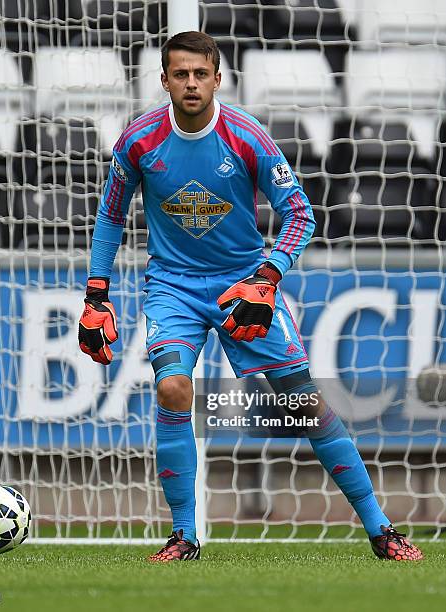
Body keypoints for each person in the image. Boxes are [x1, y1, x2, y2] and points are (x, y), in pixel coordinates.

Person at [78, 31, 423, 563]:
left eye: (200, 74)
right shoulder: (138, 141)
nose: (190, 83)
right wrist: (97, 295)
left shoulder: (247, 136)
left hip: (244, 282)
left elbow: (300, 213)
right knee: (172, 389)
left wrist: (268, 276)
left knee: (303, 404)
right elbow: (110, 216)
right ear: (164, 79)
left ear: (218, 78)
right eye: (180, 74)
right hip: (173, 286)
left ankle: (381, 529)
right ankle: (184, 536)